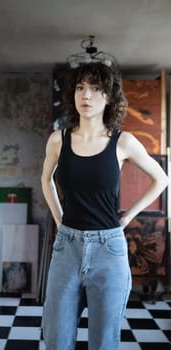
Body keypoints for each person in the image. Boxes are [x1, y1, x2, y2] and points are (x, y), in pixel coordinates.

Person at [41, 60, 169, 350]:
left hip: (109, 250)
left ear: (109, 97)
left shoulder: (123, 142)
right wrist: (59, 219)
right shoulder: (57, 141)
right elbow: (45, 180)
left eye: (96, 89)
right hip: (66, 248)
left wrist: (128, 217)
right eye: (80, 88)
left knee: (104, 342)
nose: (86, 95)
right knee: (56, 340)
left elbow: (161, 179)